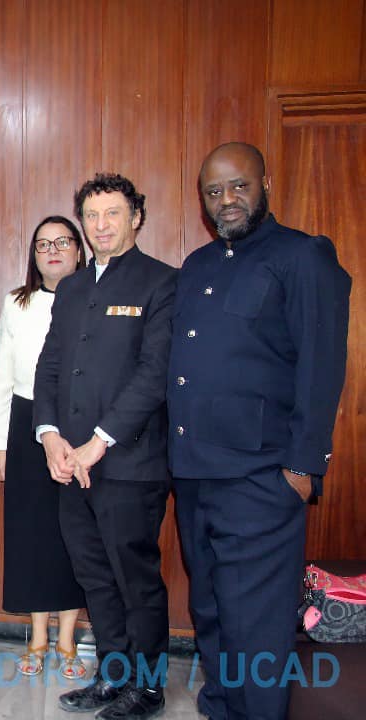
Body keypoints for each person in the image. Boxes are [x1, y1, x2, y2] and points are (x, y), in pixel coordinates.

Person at [168, 142, 350, 720]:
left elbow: (321, 366)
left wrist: (303, 466)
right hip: (194, 474)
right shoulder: (196, 266)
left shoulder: (302, 257)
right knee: (214, 607)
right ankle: (222, 704)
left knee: (260, 619)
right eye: (214, 191)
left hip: (261, 475)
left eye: (238, 186)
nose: (227, 200)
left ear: (264, 182)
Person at [33, 173, 176, 720]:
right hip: (70, 464)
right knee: (94, 576)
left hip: (128, 464)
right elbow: (49, 367)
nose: (102, 225)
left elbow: (153, 374)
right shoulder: (70, 287)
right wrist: (49, 436)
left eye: (113, 213)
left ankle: (148, 688)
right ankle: (112, 677)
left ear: (136, 217)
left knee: (134, 579)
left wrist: (98, 442)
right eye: (92, 216)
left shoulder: (162, 283)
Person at [0, 216, 87, 679]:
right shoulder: (18, 302)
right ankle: (38, 637)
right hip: (26, 424)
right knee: (33, 535)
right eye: (43, 244)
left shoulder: (94, 296)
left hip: (82, 426)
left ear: (78, 250)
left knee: (75, 535)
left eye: (62, 242)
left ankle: (69, 639)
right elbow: (2, 374)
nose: (52, 251)